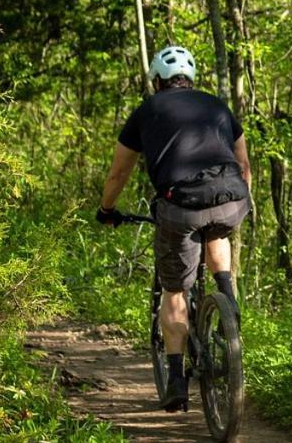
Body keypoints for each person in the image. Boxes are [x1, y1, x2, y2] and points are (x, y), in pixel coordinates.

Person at [96, 45, 251, 413]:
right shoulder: (217, 105)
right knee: (216, 229)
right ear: (190, 78)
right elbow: (243, 163)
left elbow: (119, 171)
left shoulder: (146, 110)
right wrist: (244, 202)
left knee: (174, 290)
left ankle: (177, 380)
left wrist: (107, 209)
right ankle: (226, 294)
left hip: (180, 204)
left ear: (158, 80)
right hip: (232, 197)